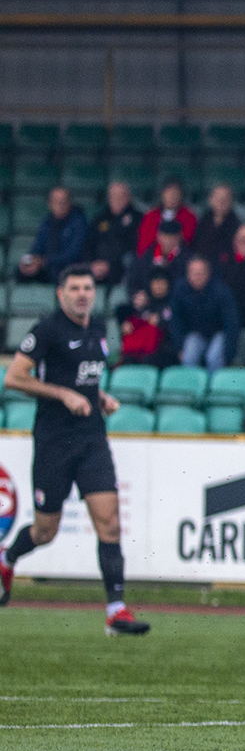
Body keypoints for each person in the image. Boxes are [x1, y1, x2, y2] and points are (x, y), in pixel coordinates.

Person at [0, 267, 148, 636]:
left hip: (91, 439)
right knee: (45, 530)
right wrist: (63, 395)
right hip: (54, 441)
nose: (82, 294)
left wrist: (99, 398)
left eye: (87, 288)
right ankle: (6, 557)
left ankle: (116, 611)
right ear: (60, 293)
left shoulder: (97, 328)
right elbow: (14, 377)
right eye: (74, 288)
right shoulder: (48, 330)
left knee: (110, 523)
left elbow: (83, 381)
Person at [168, 255, 240, 371]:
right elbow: (175, 321)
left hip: (218, 333)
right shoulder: (180, 289)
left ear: (208, 274)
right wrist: (179, 348)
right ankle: (191, 387)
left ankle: (214, 388)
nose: (197, 277)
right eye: (193, 273)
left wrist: (229, 354)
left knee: (214, 357)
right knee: (189, 356)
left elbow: (231, 324)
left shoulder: (222, 291)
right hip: (194, 333)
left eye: (200, 273)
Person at [17, 187, 89, 283]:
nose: (60, 205)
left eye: (63, 201)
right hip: (48, 267)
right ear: (49, 204)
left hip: (68, 268)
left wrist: (45, 261)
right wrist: (29, 260)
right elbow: (36, 248)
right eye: (56, 201)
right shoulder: (47, 223)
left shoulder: (78, 222)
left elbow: (73, 254)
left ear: (69, 203)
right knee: (22, 271)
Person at [85, 181, 142, 289]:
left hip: (121, 268)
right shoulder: (100, 219)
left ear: (128, 197)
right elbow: (88, 245)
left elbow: (133, 247)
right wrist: (92, 264)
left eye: (121, 196)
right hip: (97, 268)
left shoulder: (137, 219)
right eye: (114, 196)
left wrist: (110, 265)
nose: (117, 200)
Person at [115, 271, 175, 367]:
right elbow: (120, 310)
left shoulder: (173, 304)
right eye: (155, 283)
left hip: (164, 350)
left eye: (162, 283)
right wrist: (124, 323)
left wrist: (161, 322)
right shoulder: (145, 304)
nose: (158, 286)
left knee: (149, 361)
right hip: (141, 349)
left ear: (168, 284)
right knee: (127, 361)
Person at [124, 219, 187, 300]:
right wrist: (137, 295)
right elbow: (134, 278)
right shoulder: (148, 255)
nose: (168, 241)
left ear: (179, 237)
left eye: (172, 237)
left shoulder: (187, 259)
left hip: (175, 303)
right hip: (148, 302)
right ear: (158, 236)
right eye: (165, 236)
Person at [136, 177, 197, 255]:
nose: (172, 197)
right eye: (168, 193)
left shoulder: (189, 217)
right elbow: (144, 243)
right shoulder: (151, 216)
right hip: (152, 258)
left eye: (175, 193)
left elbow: (188, 241)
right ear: (162, 195)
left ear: (181, 196)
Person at [194, 183, 242, 263]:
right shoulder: (202, 222)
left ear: (231, 201)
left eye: (226, 198)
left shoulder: (238, 226)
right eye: (218, 198)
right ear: (210, 200)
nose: (221, 202)